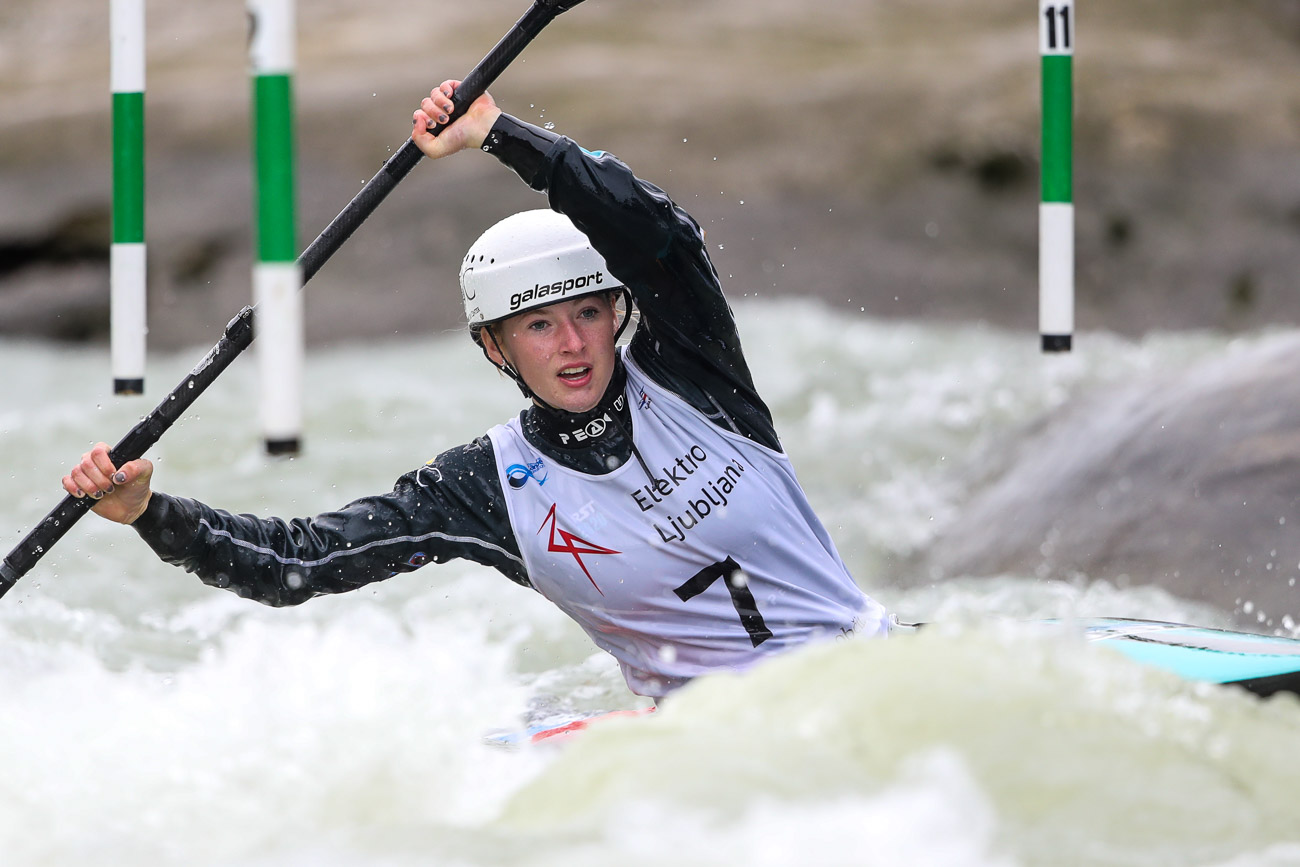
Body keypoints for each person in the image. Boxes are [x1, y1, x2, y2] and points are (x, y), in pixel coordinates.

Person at [63, 81, 890, 699]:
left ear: (618, 312)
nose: (571, 343)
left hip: (866, 678)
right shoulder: (488, 488)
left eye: (589, 313)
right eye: (537, 326)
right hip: (724, 750)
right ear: (493, 346)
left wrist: (502, 134)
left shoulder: (695, 376)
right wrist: (150, 514)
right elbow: (300, 561)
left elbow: (662, 237)